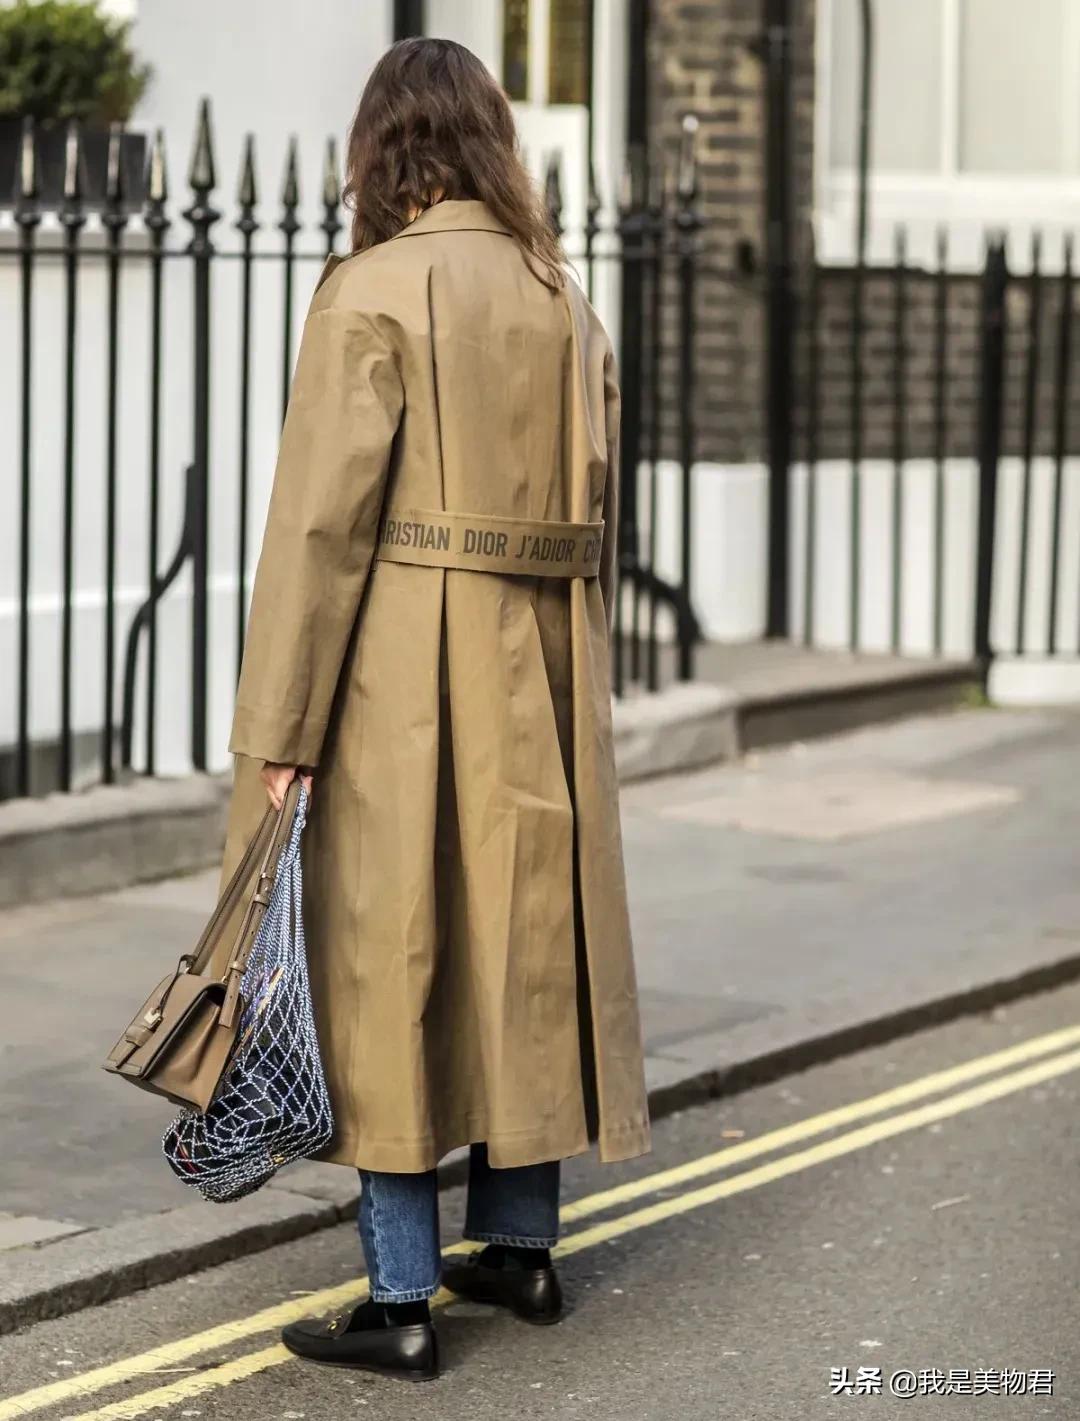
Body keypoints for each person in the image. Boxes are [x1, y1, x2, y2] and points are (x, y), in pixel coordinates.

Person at [218, 35, 650, 1383]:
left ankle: (401, 1295)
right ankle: (519, 1247)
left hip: (398, 683)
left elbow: (317, 537)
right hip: (543, 680)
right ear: (488, 143)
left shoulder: (370, 293)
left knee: (389, 957)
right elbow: (599, 516)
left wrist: (279, 736)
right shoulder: (561, 299)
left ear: (380, 149)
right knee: (521, 943)